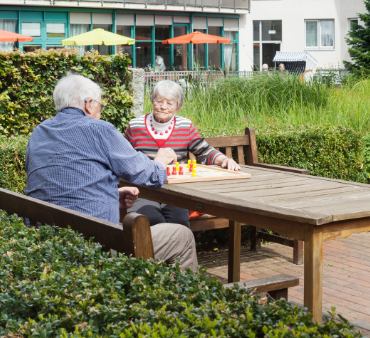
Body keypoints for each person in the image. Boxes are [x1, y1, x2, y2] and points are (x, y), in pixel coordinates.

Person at [25, 74, 198, 270]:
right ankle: (174, 299)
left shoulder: (39, 132)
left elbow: (54, 181)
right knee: (181, 236)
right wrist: (160, 160)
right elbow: (152, 176)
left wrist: (109, 194)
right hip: (94, 247)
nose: (100, 111)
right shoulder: (99, 129)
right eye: (100, 105)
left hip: (45, 244)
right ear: (89, 104)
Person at [124, 80, 240, 227]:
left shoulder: (185, 126)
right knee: (151, 221)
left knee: (178, 223)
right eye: (159, 101)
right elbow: (124, 158)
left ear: (178, 106)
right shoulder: (136, 126)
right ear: (152, 100)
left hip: (176, 192)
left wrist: (224, 159)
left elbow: (204, 151)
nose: (163, 107)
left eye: (170, 103)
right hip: (144, 191)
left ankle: (177, 250)